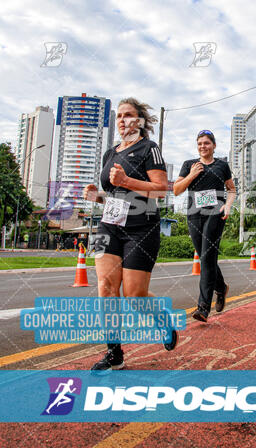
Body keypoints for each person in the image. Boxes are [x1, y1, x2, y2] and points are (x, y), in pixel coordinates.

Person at [83, 97, 177, 373]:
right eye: (120, 116)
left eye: (129, 115)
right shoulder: (110, 153)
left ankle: (162, 320)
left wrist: (126, 181)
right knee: (105, 287)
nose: (123, 120)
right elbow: (114, 195)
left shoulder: (150, 148)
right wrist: (97, 196)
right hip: (109, 225)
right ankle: (115, 353)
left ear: (140, 121)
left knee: (135, 296)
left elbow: (160, 190)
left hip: (142, 227)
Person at [174, 130, 236, 322]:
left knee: (208, 256)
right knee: (205, 257)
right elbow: (176, 190)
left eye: (207, 143)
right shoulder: (189, 165)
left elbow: (231, 189)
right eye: (200, 143)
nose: (203, 146)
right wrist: (192, 175)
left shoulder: (222, 166)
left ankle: (202, 307)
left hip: (215, 214)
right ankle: (221, 288)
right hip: (194, 215)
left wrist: (227, 205)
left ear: (214, 146)